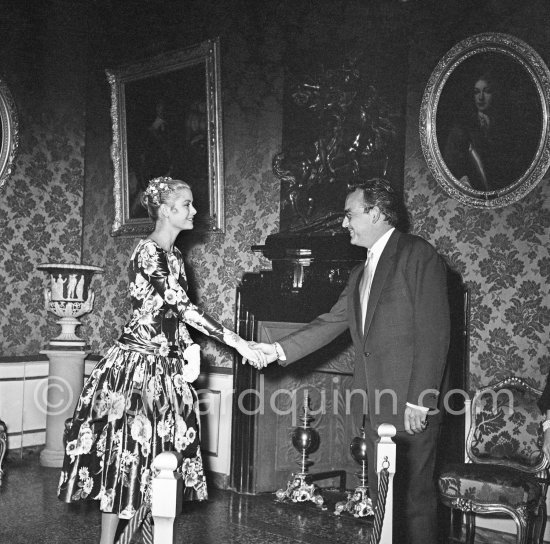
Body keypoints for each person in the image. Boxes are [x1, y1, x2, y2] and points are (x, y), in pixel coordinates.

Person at [57, 176, 266, 544]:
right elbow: (181, 305)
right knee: (124, 459)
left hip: (165, 369)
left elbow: (169, 316)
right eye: (187, 204)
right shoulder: (148, 252)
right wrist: (236, 342)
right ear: (167, 211)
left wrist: (189, 347)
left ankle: (151, 536)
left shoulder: (174, 256)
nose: (194, 210)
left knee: (159, 460)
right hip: (135, 370)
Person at [251, 178, 450, 544]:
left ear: (375, 213)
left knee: (414, 503)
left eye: (349, 214)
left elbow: (434, 331)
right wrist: (276, 350)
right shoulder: (360, 272)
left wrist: (420, 400)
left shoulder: (417, 255)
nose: (344, 224)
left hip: (409, 405)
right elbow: (330, 323)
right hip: (374, 405)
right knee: (384, 500)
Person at [443, 71, 524, 191]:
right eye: (476, 92)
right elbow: (452, 163)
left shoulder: (507, 126)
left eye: (487, 91)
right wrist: (463, 180)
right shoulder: (462, 128)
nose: (480, 97)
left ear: (496, 94)